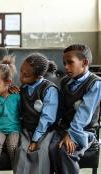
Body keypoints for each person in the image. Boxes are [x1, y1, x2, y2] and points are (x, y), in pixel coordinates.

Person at [49, 44, 101, 174]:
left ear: (84, 63)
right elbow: (60, 107)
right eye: (64, 63)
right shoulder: (65, 81)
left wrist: (71, 135)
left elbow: (84, 113)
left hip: (83, 130)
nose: (66, 67)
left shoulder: (95, 83)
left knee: (66, 151)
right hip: (63, 127)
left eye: (70, 63)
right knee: (50, 148)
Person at [13, 53, 59, 174]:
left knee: (41, 151)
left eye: (26, 75)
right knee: (22, 150)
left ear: (38, 77)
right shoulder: (23, 88)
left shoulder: (49, 89)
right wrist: (11, 92)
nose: (21, 77)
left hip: (45, 130)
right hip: (27, 129)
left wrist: (35, 140)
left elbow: (47, 118)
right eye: (21, 71)